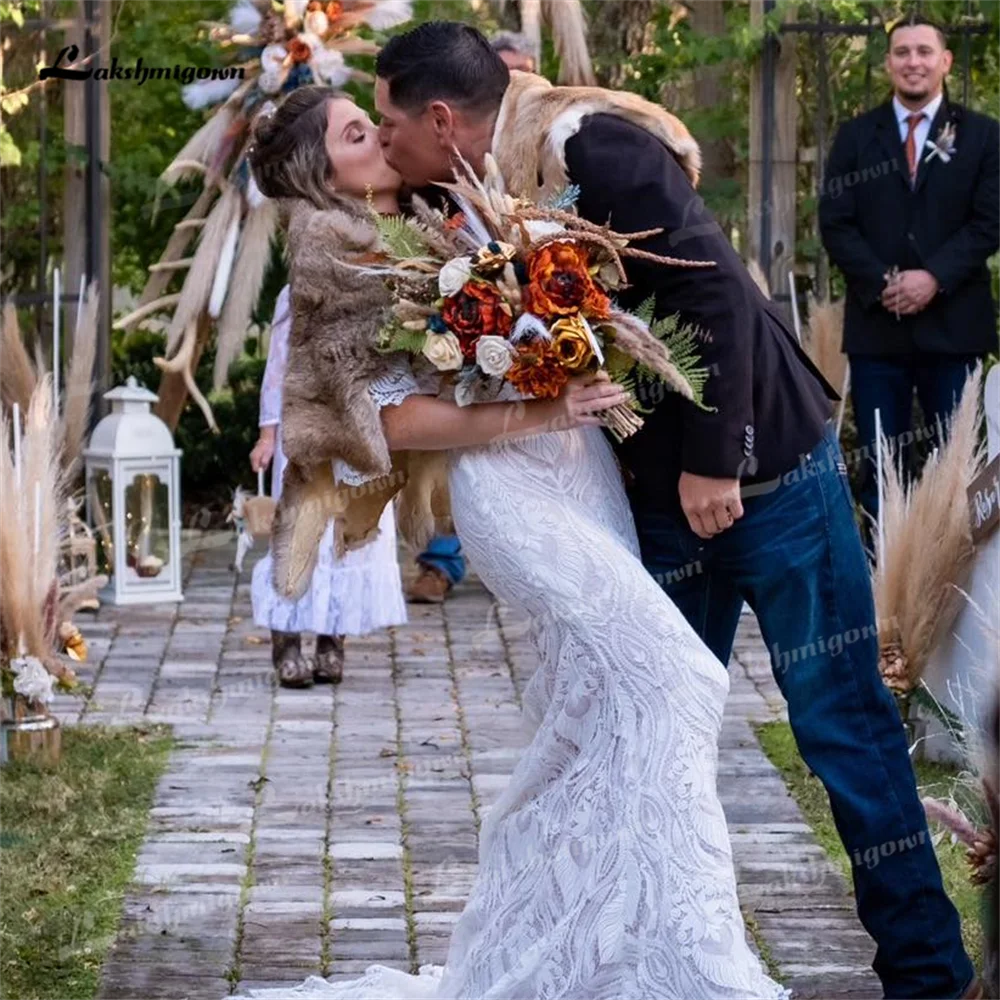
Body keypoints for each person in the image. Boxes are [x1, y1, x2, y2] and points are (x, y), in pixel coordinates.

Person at [369, 21, 978, 1000]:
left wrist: (714, 462)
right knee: (633, 723)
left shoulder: (595, 147)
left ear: (440, 116)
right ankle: (630, 955)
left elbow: (718, 301)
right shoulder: (469, 192)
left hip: (768, 473)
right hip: (650, 505)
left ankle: (930, 976)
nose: (381, 135)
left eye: (388, 118)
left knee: (842, 727)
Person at [234, 84, 787, 998]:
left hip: (579, 474)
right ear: (320, 169)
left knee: (588, 711)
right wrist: (536, 408)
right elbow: (390, 421)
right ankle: (691, 956)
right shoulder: (330, 260)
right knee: (679, 678)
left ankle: (577, 943)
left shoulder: (436, 209)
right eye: (355, 130)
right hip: (511, 493)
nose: (382, 132)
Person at [820, 12, 1000, 524]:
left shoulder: (984, 137)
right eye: (902, 52)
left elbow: (990, 222)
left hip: (955, 326)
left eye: (924, 51)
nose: (913, 61)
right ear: (888, 63)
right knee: (881, 465)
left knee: (957, 464)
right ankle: (884, 576)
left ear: (944, 61)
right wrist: (885, 283)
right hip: (880, 329)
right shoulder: (856, 138)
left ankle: (953, 582)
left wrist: (934, 278)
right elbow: (835, 222)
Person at [249, 279, 407, 688]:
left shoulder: (382, 288)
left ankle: (331, 640)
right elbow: (278, 362)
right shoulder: (299, 289)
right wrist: (268, 433)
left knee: (350, 533)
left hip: (359, 429)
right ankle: (285, 643)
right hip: (307, 426)